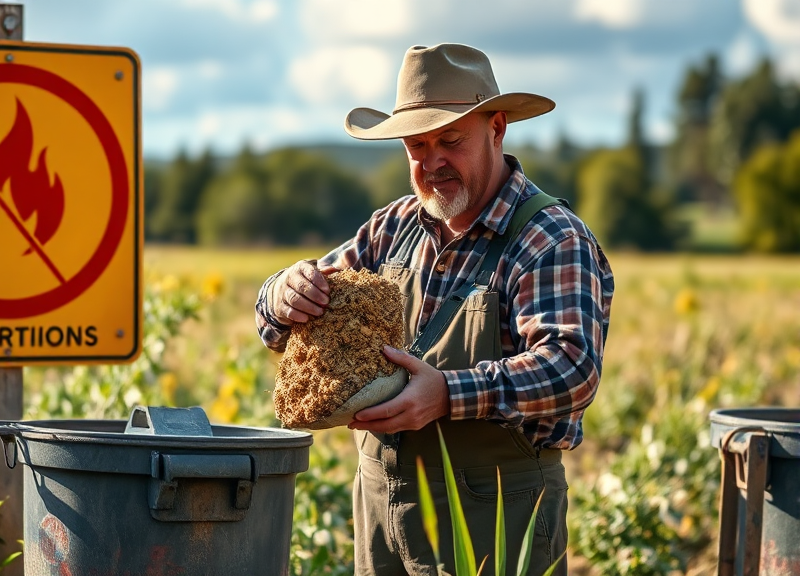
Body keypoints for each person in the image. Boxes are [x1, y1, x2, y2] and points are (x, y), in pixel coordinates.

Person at [255, 43, 614, 576]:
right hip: (381, 510)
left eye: (450, 140)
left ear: (496, 129)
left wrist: (446, 395)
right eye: (417, 146)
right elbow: (282, 314)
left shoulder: (550, 238)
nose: (432, 161)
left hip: (496, 514)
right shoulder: (390, 228)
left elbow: (571, 368)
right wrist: (284, 292)